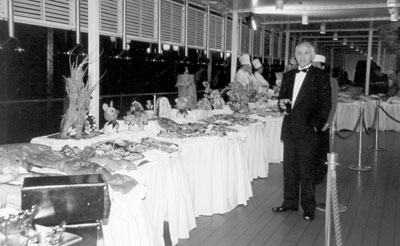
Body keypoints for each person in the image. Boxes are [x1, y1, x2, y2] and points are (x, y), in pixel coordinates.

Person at [273, 42, 332, 221]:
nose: (302, 56)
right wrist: (281, 104)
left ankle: (308, 207)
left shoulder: (321, 76)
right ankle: (289, 202)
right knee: (289, 170)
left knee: (307, 171)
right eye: (299, 53)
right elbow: (282, 100)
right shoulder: (289, 75)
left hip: (308, 131)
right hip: (290, 129)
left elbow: (325, 105)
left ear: (312, 56)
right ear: (295, 55)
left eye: (306, 53)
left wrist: (315, 126)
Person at [312, 54, 339, 184]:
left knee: (322, 148)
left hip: (323, 120)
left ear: (323, 67)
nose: (314, 68)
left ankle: (319, 175)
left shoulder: (331, 81)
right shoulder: (308, 79)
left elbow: (333, 103)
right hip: (308, 121)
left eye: (317, 66)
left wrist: (328, 121)